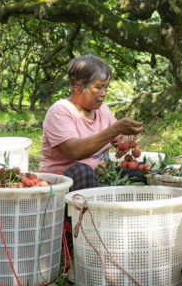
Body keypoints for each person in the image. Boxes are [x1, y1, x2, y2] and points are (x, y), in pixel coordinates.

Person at [40, 55, 144, 189]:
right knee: (84, 172)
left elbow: (119, 138)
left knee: (140, 170)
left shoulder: (103, 109)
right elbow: (75, 151)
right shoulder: (60, 112)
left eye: (106, 87)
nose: (104, 93)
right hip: (66, 183)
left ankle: (120, 208)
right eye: (99, 87)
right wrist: (115, 129)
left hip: (102, 178)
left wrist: (127, 137)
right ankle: (80, 210)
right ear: (77, 86)